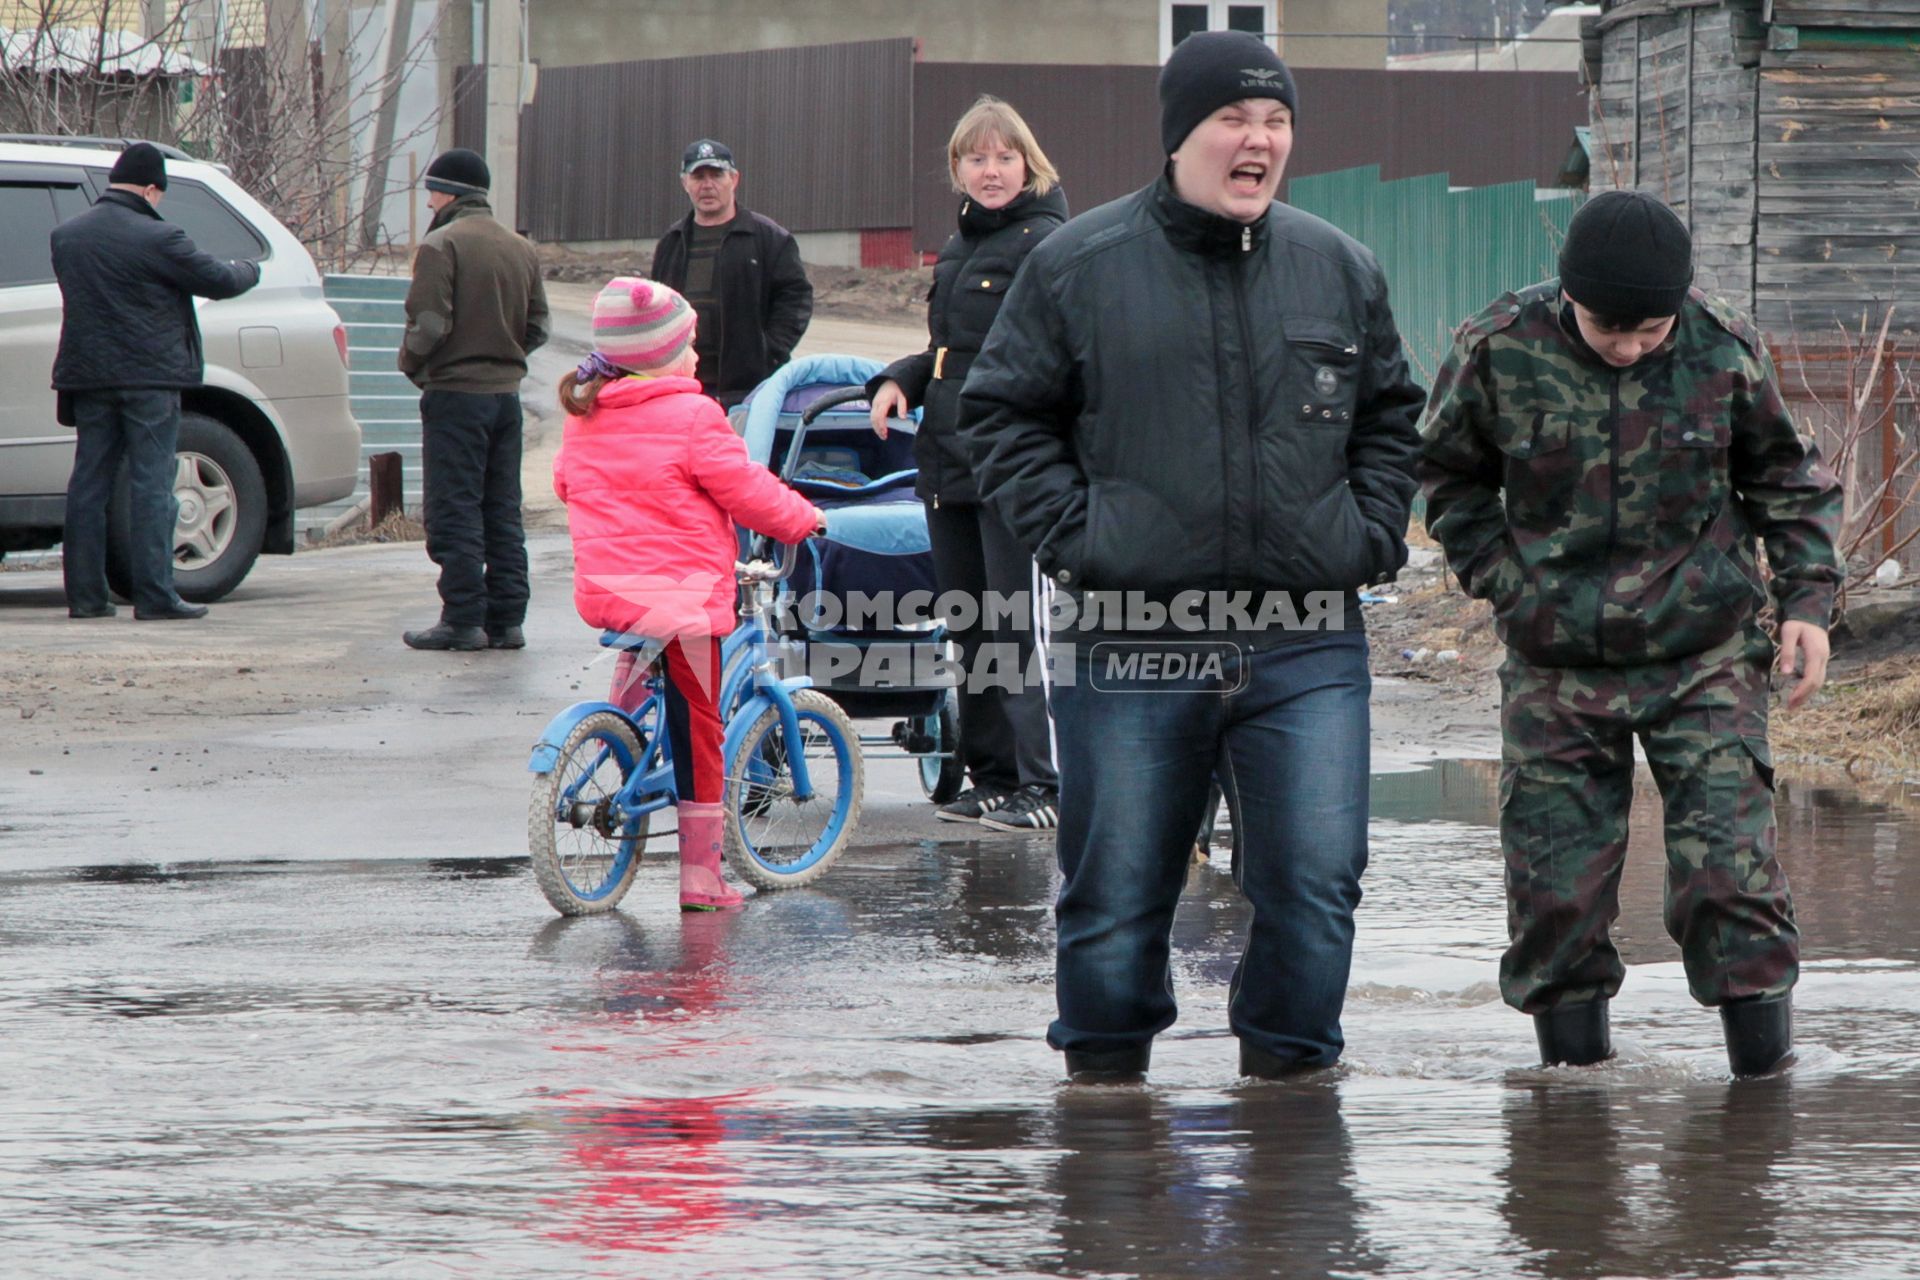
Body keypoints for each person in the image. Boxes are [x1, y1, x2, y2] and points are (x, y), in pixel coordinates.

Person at [959, 31, 1425, 1082]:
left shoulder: (1337, 267)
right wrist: (1080, 535)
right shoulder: (1077, 266)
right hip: (1129, 635)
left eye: (1277, 123)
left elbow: (1391, 414)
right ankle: (1108, 1109)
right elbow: (998, 413)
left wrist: (1370, 531)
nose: (1259, 140)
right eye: (1235, 120)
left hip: (1306, 637)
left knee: (1315, 882)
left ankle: (1293, 1109)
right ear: (1181, 136)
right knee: (1118, 889)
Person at [1417, 190, 1843, 1077]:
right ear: (1570, 296)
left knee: (1731, 876)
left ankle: (1761, 1103)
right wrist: (1509, 586)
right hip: (1556, 658)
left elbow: (1784, 480)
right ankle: (1571, 1113)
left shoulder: (1722, 345)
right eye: (1612, 328)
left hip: (1705, 651)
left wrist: (1806, 604)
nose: (1630, 346)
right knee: (1553, 891)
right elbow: (1449, 482)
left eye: (1650, 329)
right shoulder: (1497, 347)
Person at [551, 277, 827, 910]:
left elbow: (568, 486)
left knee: (645, 659)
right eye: (689, 347)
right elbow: (747, 491)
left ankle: (617, 735)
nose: (697, 358)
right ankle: (701, 876)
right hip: (681, 598)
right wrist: (804, 518)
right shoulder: (694, 417)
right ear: (660, 356)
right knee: (700, 725)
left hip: (613, 591)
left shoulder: (586, 414)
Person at [867, 96, 1068, 832]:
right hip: (948, 459)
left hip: (1013, 463)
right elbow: (948, 352)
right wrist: (899, 379)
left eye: (1004, 157)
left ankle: (1044, 785)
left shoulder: (1049, 243)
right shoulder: (958, 248)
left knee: (1018, 627)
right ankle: (992, 775)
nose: (991, 171)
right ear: (957, 168)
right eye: (976, 158)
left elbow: (1061, 357)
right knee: (972, 624)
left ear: (1029, 163)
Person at [50, 141, 261, 621]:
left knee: (88, 484)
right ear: (151, 190)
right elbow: (219, 281)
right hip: (148, 379)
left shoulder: (67, 237)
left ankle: (84, 598)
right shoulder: (158, 238)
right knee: (151, 482)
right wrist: (250, 269)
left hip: (86, 377)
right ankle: (154, 596)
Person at [399, 147, 550, 652]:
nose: (428, 204)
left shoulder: (443, 245)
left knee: (454, 508)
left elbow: (430, 324)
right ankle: (507, 621)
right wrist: (503, 360)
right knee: (501, 508)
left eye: (432, 193)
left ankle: (462, 618)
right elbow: (538, 327)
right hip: (505, 399)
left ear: (448, 193)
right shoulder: (520, 248)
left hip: (455, 397)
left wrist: (412, 364)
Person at [650, 139, 812, 408]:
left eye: (716, 174)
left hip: (748, 391)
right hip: (683, 389)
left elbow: (795, 298)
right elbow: (656, 308)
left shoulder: (769, 239)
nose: (707, 185)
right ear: (684, 183)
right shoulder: (672, 242)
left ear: (734, 179)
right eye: (698, 176)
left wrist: (768, 352)